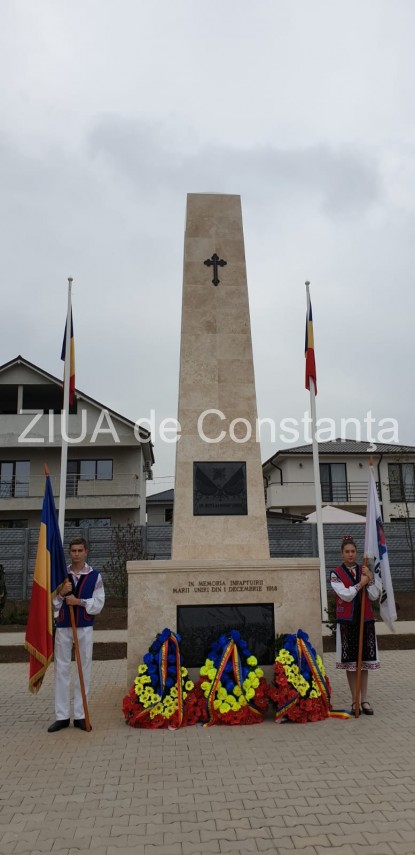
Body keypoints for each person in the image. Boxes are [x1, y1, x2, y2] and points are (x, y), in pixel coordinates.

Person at [48, 536, 105, 732]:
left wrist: (78, 601)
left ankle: (80, 715)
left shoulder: (95, 576)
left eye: (80, 550)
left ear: (86, 552)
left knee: (84, 668)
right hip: (64, 626)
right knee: (62, 669)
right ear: (69, 553)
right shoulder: (62, 577)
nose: (77, 554)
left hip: (84, 627)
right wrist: (62, 593)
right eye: (73, 551)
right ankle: (62, 716)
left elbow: (98, 604)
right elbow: (52, 604)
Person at [330, 534, 380, 715]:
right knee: (351, 663)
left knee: (364, 662)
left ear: (357, 553)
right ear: (342, 553)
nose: (350, 554)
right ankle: (354, 701)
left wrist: (371, 579)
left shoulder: (365, 570)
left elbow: (374, 595)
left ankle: (364, 700)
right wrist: (362, 583)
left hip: (365, 621)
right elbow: (346, 594)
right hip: (347, 623)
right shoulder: (336, 573)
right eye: (347, 551)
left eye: (353, 551)